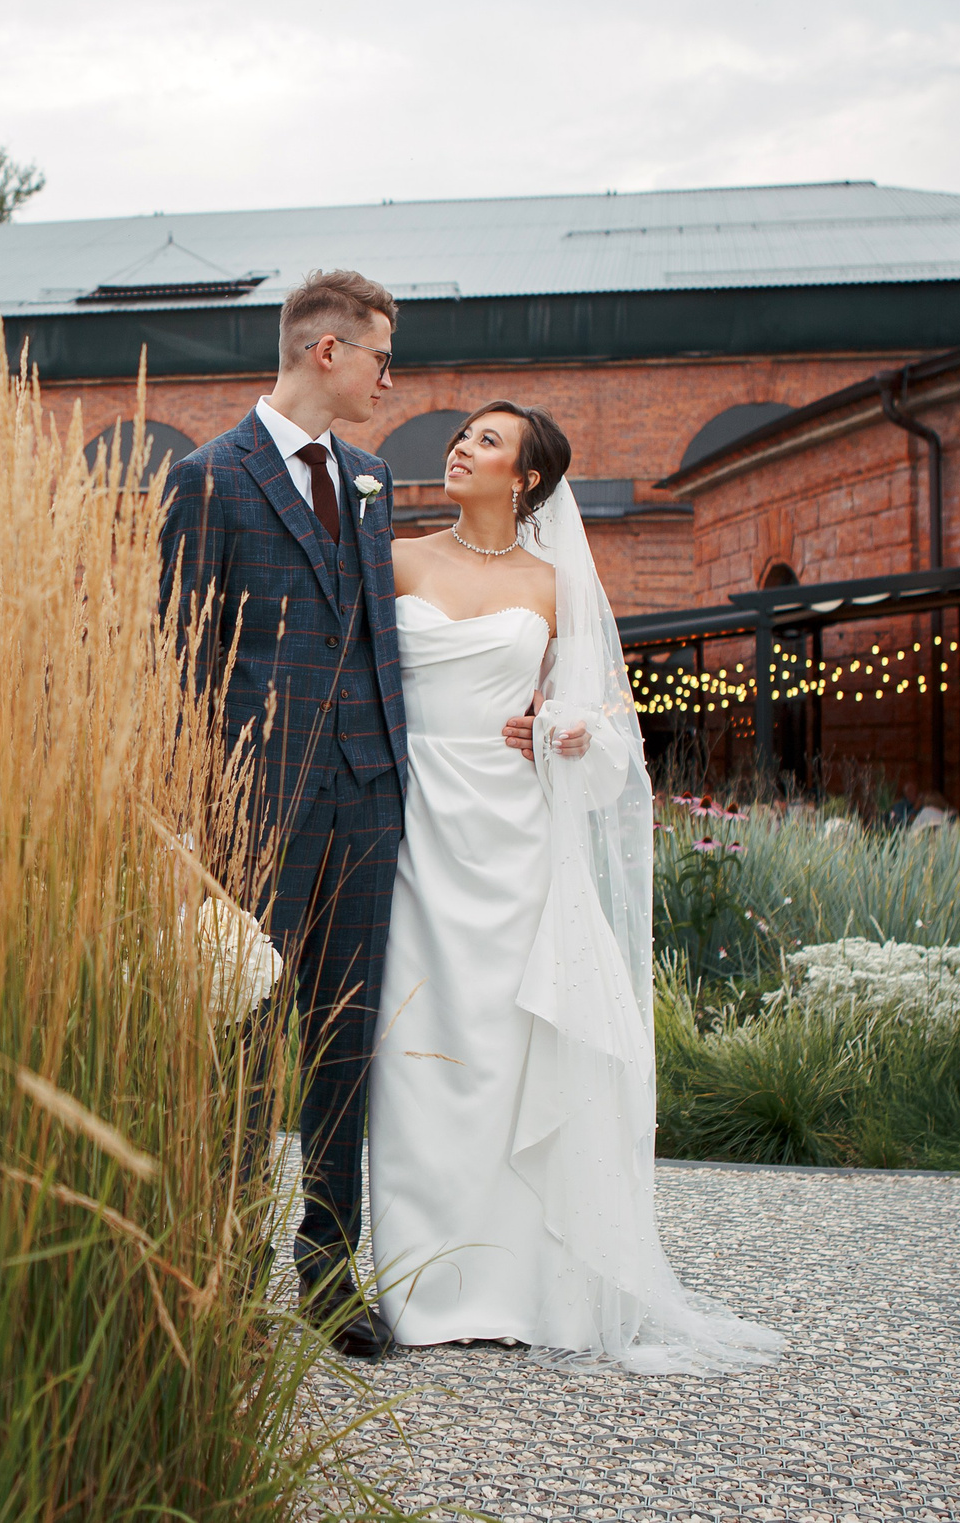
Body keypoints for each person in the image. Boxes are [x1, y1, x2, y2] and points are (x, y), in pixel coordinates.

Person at [366, 402, 783, 1373]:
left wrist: (558, 724)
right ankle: (416, 1287)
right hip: (415, 823)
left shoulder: (558, 586)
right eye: (463, 434)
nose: (460, 448)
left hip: (512, 836)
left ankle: (518, 1285)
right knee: (419, 1048)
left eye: (486, 442)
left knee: (510, 1050)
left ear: (526, 480)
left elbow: (606, 735)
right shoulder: (395, 560)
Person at [158, 269, 411, 1361]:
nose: (386, 379)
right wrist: (196, 813)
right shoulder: (207, 478)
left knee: (346, 1037)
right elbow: (178, 661)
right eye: (377, 358)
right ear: (325, 352)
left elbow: (374, 644)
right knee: (245, 1044)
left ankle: (327, 1270)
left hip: (366, 797)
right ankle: (218, 1281)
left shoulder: (367, 478)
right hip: (253, 812)